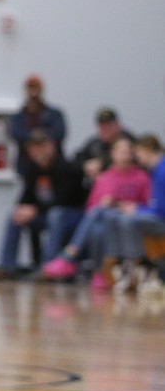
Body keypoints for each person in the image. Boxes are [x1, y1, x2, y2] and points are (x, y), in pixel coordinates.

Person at [41, 135, 150, 288]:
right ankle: (99, 272)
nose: (125, 155)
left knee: (99, 214)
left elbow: (148, 204)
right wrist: (106, 203)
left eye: (128, 151)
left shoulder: (141, 177)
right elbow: (90, 207)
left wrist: (126, 205)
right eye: (121, 151)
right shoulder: (105, 177)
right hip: (105, 219)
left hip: (127, 218)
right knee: (98, 225)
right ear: (112, 154)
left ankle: (69, 256)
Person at [0, 129, 87, 280]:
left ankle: (49, 267)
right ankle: (7, 266)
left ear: (51, 146)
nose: (37, 151)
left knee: (56, 215)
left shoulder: (67, 168)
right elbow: (26, 197)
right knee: (15, 215)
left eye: (41, 146)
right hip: (45, 214)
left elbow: (64, 201)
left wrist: (35, 210)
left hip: (73, 216)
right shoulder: (33, 170)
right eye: (33, 148)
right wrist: (22, 209)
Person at [106, 133, 165, 291]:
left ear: (146, 151)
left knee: (128, 220)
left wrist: (137, 209)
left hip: (162, 220)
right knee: (116, 217)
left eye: (137, 152)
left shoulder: (162, 171)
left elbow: (161, 210)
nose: (136, 157)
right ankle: (120, 262)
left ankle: (141, 263)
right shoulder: (155, 170)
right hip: (158, 216)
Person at [8, 74, 67, 176]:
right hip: (28, 167)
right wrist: (33, 137)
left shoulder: (54, 114)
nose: (33, 92)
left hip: (54, 168)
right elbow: (15, 133)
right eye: (31, 88)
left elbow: (60, 132)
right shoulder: (19, 116)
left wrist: (42, 137)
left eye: (36, 87)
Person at [73, 106, 135, 189]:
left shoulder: (129, 141)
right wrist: (86, 166)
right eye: (102, 126)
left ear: (117, 124)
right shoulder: (94, 143)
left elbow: (132, 161)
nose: (105, 129)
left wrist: (101, 164)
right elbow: (77, 159)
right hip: (97, 189)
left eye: (109, 125)